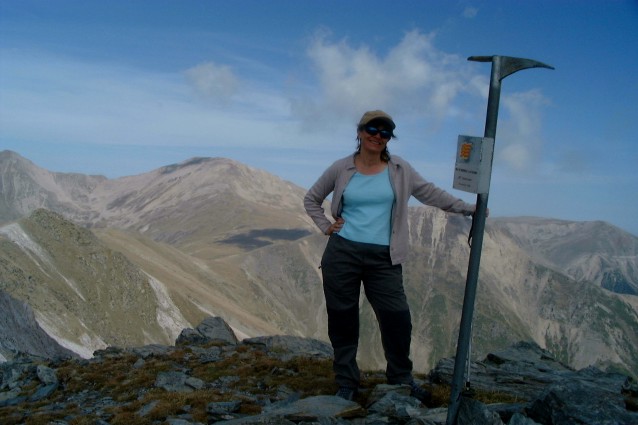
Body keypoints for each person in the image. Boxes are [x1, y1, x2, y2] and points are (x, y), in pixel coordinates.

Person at [303, 110, 476, 403]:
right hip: (343, 252)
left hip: (385, 256)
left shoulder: (400, 169)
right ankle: (347, 381)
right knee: (343, 319)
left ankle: (400, 377)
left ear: (389, 139)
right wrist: (326, 227)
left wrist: (468, 208)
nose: (377, 136)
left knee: (397, 317)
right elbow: (312, 199)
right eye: (372, 129)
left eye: (385, 133)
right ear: (359, 132)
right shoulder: (341, 168)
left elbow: (430, 193)